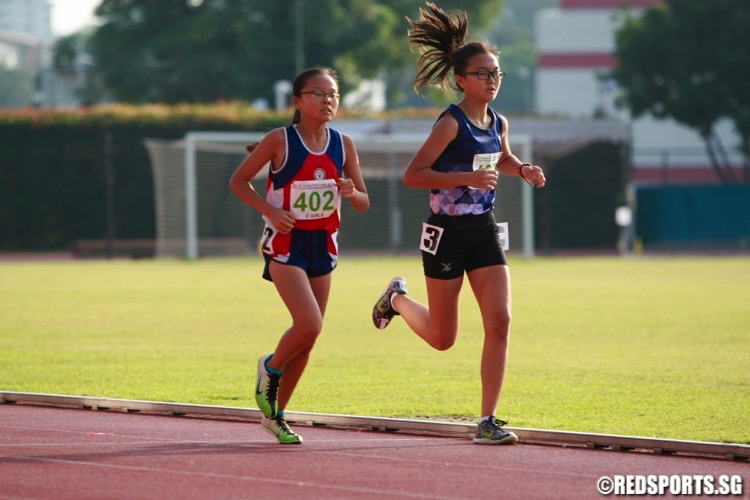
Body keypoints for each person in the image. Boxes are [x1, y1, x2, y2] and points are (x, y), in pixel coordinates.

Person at [371, 2, 546, 445]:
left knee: (501, 321)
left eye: (497, 74)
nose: (492, 80)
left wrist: (522, 168)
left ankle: (487, 420)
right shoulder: (450, 123)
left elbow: (500, 158)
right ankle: (397, 300)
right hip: (446, 234)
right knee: (443, 339)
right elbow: (414, 175)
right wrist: (466, 177)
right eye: (484, 73)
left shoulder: (498, 121)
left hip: (483, 228)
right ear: (461, 79)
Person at [230, 67, 370, 444]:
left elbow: (363, 202)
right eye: (319, 94)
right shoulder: (280, 140)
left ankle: (276, 416)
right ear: (298, 101)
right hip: (286, 245)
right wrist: (271, 211)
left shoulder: (344, 144)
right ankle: (270, 367)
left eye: (334, 95)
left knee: (308, 342)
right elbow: (238, 181)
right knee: (309, 324)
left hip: (322, 246)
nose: (328, 101)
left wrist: (350, 190)